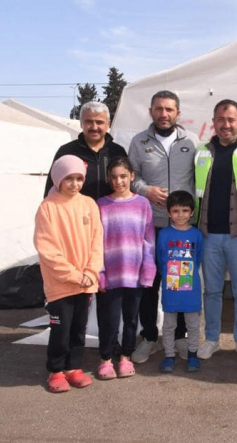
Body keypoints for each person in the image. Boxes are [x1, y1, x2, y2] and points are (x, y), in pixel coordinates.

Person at [128, 90, 197, 364]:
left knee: (180, 283)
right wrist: (146, 190)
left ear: (178, 113)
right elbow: (130, 177)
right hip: (150, 228)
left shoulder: (192, 142)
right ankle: (149, 337)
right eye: (158, 109)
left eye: (169, 109)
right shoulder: (138, 142)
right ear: (151, 111)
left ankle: (179, 337)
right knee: (149, 284)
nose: (163, 114)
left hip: (181, 231)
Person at [194, 99, 237, 362]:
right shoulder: (201, 152)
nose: (226, 124)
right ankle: (211, 339)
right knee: (211, 290)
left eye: (231, 119)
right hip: (209, 236)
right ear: (214, 122)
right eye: (221, 119)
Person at [33, 155, 103, 393]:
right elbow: (47, 249)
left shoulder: (89, 205)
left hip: (86, 282)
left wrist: (91, 272)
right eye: (69, 179)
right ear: (58, 179)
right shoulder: (48, 208)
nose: (74, 184)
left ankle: (73, 367)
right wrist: (74, 275)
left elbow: (97, 242)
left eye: (79, 179)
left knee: (78, 329)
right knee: (60, 330)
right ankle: (55, 370)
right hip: (61, 285)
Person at [95, 157, 156, 380]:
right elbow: (95, 242)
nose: (118, 181)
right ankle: (106, 358)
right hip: (109, 275)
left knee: (131, 319)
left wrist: (148, 271)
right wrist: (98, 273)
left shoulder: (142, 204)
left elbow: (149, 241)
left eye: (123, 176)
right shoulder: (101, 205)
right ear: (108, 179)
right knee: (108, 319)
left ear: (131, 175)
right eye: (113, 177)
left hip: (135, 274)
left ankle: (126, 357)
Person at [157, 191, 204, 373]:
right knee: (169, 325)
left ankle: (192, 354)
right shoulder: (164, 235)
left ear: (192, 212)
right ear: (169, 213)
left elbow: (197, 258)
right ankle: (169, 355)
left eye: (185, 210)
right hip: (170, 289)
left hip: (191, 289)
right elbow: (161, 259)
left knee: (193, 324)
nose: (181, 215)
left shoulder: (197, 235)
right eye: (176, 211)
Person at [44, 101, 127, 199]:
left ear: (108, 124)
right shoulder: (66, 152)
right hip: (75, 213)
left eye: (99, 122)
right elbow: (51, 190)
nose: (94, 127)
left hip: (111, 213)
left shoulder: (118, 152)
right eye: (88, 122)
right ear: (81, 123)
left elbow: (128, 188)